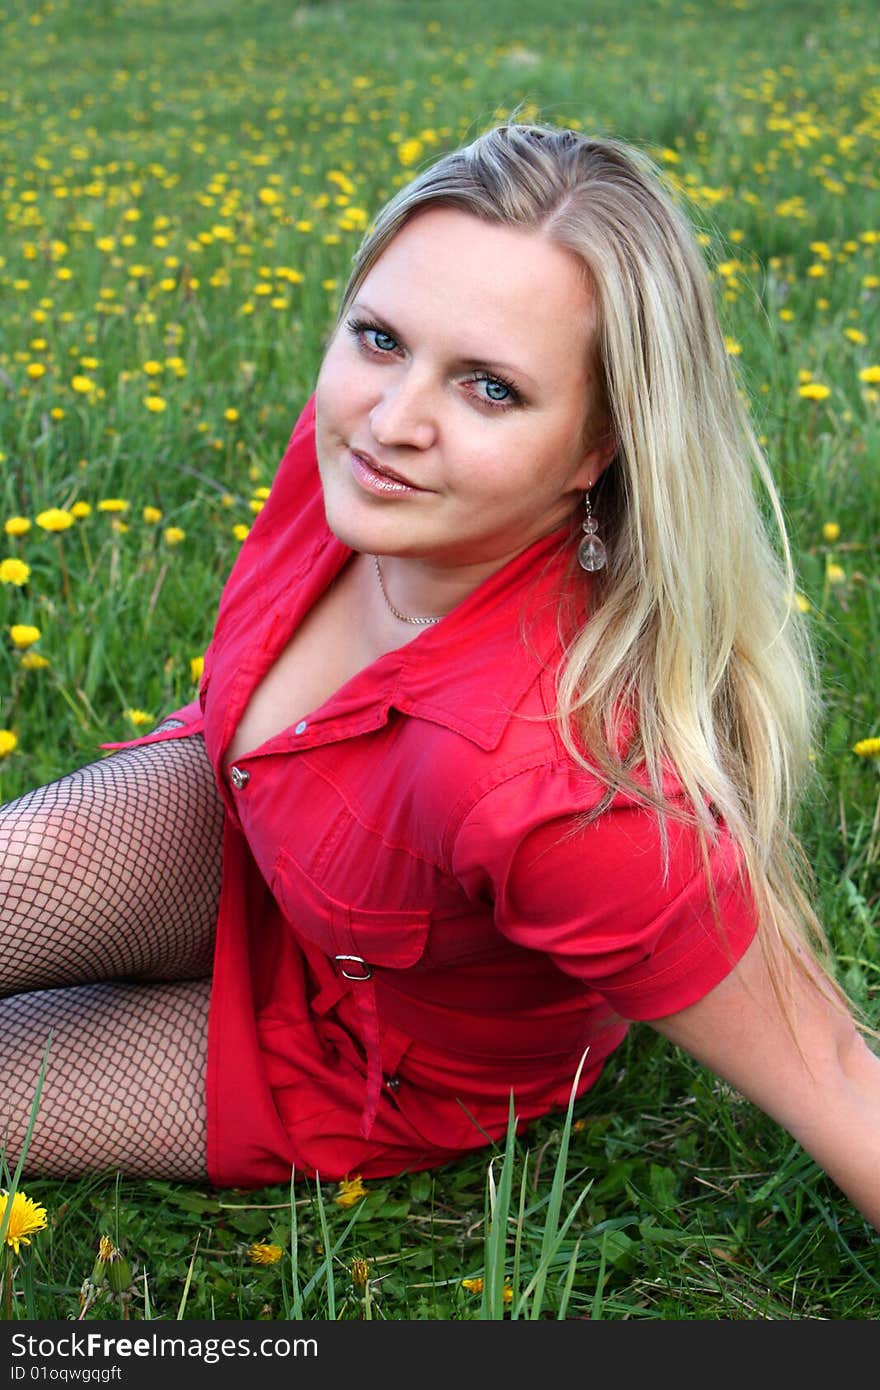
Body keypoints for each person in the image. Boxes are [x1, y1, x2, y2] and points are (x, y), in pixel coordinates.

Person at [1, 123, 878, 1231]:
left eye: (491, 390)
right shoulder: (364, 461)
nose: (393, 420)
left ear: (598, 447)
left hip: (360, 1047)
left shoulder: (562, 784)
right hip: (245, 822)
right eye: (379, 338)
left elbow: (840, 1075)